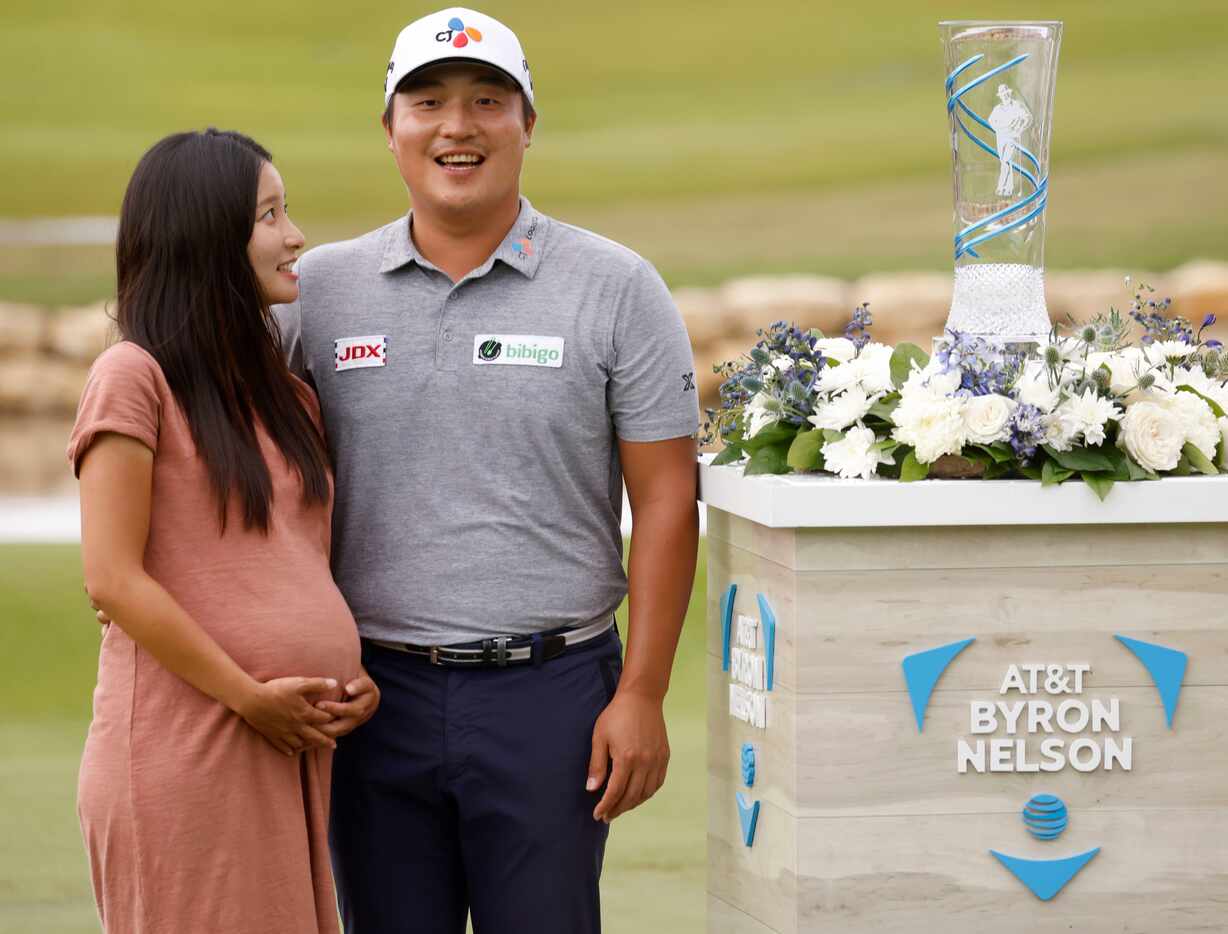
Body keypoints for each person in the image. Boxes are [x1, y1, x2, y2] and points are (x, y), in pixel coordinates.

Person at [272, 7, 700, 933]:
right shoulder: (320, 293)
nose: (456, 127)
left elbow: (667, 498)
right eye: (426, 102)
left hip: (553, 694)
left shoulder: (618, 286)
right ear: (390, 129)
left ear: (528, 122)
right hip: (369, 695)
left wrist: (645, 693)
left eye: (486, 102)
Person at [70, 128, 380, 934]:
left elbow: (294, 568)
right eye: (268, 216)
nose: (296, 235)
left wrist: (347, 676)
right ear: (206, 240)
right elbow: (112, 577)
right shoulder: (132, 377)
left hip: (292, 746)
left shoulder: (286, 396)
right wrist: (249, 695)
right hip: (190, 746)